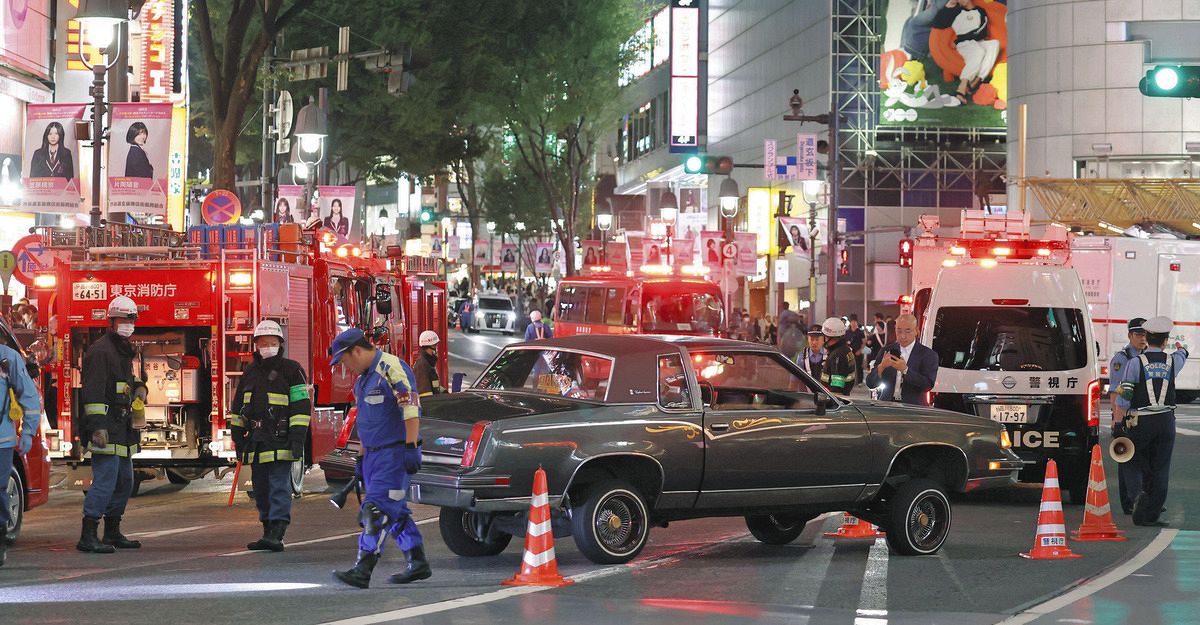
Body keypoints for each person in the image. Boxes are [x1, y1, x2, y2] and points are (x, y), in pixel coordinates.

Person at [331, 328, 430, 588]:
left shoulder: (391, 368)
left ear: (357, 351)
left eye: (345, 361)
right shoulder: (362, 381)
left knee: (377, 511)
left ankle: (362, 569)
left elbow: (411, 408)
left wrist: (411, 446)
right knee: (394, 511)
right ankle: (417, 562)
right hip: (374, 457)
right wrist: (361, 460)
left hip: (394, 455)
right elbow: (367, 422)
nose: (346, 367)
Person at [228, 320, 311, 552]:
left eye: (272, 343)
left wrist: (297, 440)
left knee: (278, 486)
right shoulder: (250, 372)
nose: (268, 346)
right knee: (261, 488)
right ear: (255, 345)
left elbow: (301, 408)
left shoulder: (292, 370)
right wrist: (238, 437)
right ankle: (267, 530)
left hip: (281, 440)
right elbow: (238, 407)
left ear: (280, 344)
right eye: (263, 342)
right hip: (256, 441)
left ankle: (278, 531)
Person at [77, 296, 146, 553]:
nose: (128, 324)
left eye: (131, 319)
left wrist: (140, 388)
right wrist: (97, 427)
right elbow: (93, 393)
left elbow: (126, 381)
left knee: (125, 481)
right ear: (112, 321)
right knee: (105, 481)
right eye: (123, 319)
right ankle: (88, 533)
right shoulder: (101, 351)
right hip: (106, 428)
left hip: (123, 427)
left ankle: (112, 531)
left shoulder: (122, 349)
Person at [1113, 316, 1188, 527]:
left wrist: (1118, 424)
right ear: (1165, 341)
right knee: (1161, 466)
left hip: (1141, 421)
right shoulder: (1173, 361)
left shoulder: (1135, 363)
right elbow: (1183, 353)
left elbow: (1124, 396)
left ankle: (1138, 497)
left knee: (1134, 460)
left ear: (1146, 337)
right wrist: (1181, 348)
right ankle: (1152, 513)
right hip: (1166, 421)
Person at [0, 333, 41, 567]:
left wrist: (28, 431)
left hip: (2, 441)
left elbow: (29, 396)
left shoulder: (7, 358)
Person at [1108, 317, 1147, 514]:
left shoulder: (1147, 357)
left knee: (1136, 458)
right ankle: (1132, 500)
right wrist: (1117, 422)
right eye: (1138, 334)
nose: (1143, 338)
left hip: (1144, 416)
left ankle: (1133, 500)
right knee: (1128, 459)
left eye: (1145, 334)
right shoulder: (1122, 359)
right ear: (1130, 335)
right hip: (1126, 415)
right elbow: (1116, 392)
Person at [865, 314, 939, 406]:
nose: (903, 336)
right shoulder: (886, 351)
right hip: (887, 406)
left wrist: (905, 370)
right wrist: (881, 367)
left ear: (916, 331)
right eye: (899, 331)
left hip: (914, 408)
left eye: (908, 331)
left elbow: (928, 385)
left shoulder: (928, 355)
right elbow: (870, 383)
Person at [820, 317, 857, 397]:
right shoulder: (845, 350)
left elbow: (837, 388)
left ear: (830, 337)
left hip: (833, 400)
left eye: (825, 337)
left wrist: (831, 403)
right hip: (843, 397)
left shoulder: (837, 355)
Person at [412, 330, 444, 398]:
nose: (437, 348)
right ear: (431, 346)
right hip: (429, 406)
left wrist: (445, 393)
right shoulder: (422, 365)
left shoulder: (428, 363)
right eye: (435, 345)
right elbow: (424, 394)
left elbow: (434, 385)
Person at [846, 316, 866, 381]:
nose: (853, 323)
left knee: (859, 366)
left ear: (857, 323)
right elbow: (845, 342)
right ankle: (850, 380)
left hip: (858, 351)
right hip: (849, 352)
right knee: (848, 366)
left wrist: (860, 350)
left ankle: (860, 380)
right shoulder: (847, 332)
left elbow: (864, 342)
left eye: (855, 322)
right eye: (852, 322)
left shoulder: (860, 332)